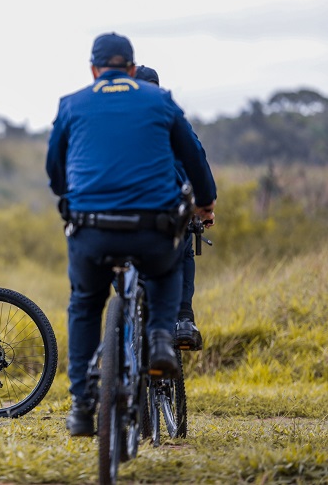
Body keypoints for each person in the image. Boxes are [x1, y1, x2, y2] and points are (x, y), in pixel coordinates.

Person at [45, 33, 217, 437]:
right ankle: (160, 338)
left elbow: (55, 170)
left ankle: (81, 406)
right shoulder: (161, 101)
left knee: (85, 303)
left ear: (94, 69)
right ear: (133, 69)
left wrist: (73, 195)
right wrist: (205, 203)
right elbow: (194, 157)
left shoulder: (72, 103)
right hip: (151, 228)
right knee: (166, 270)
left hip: (92, 230)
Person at [135, 65, 207, 351]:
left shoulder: (119, 119)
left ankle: (124, 320)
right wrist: (205, 207)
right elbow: (197, 159)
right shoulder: (171, 116)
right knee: (184, 247)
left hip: (120, 211)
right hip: (169, 211)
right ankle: (184, 319)